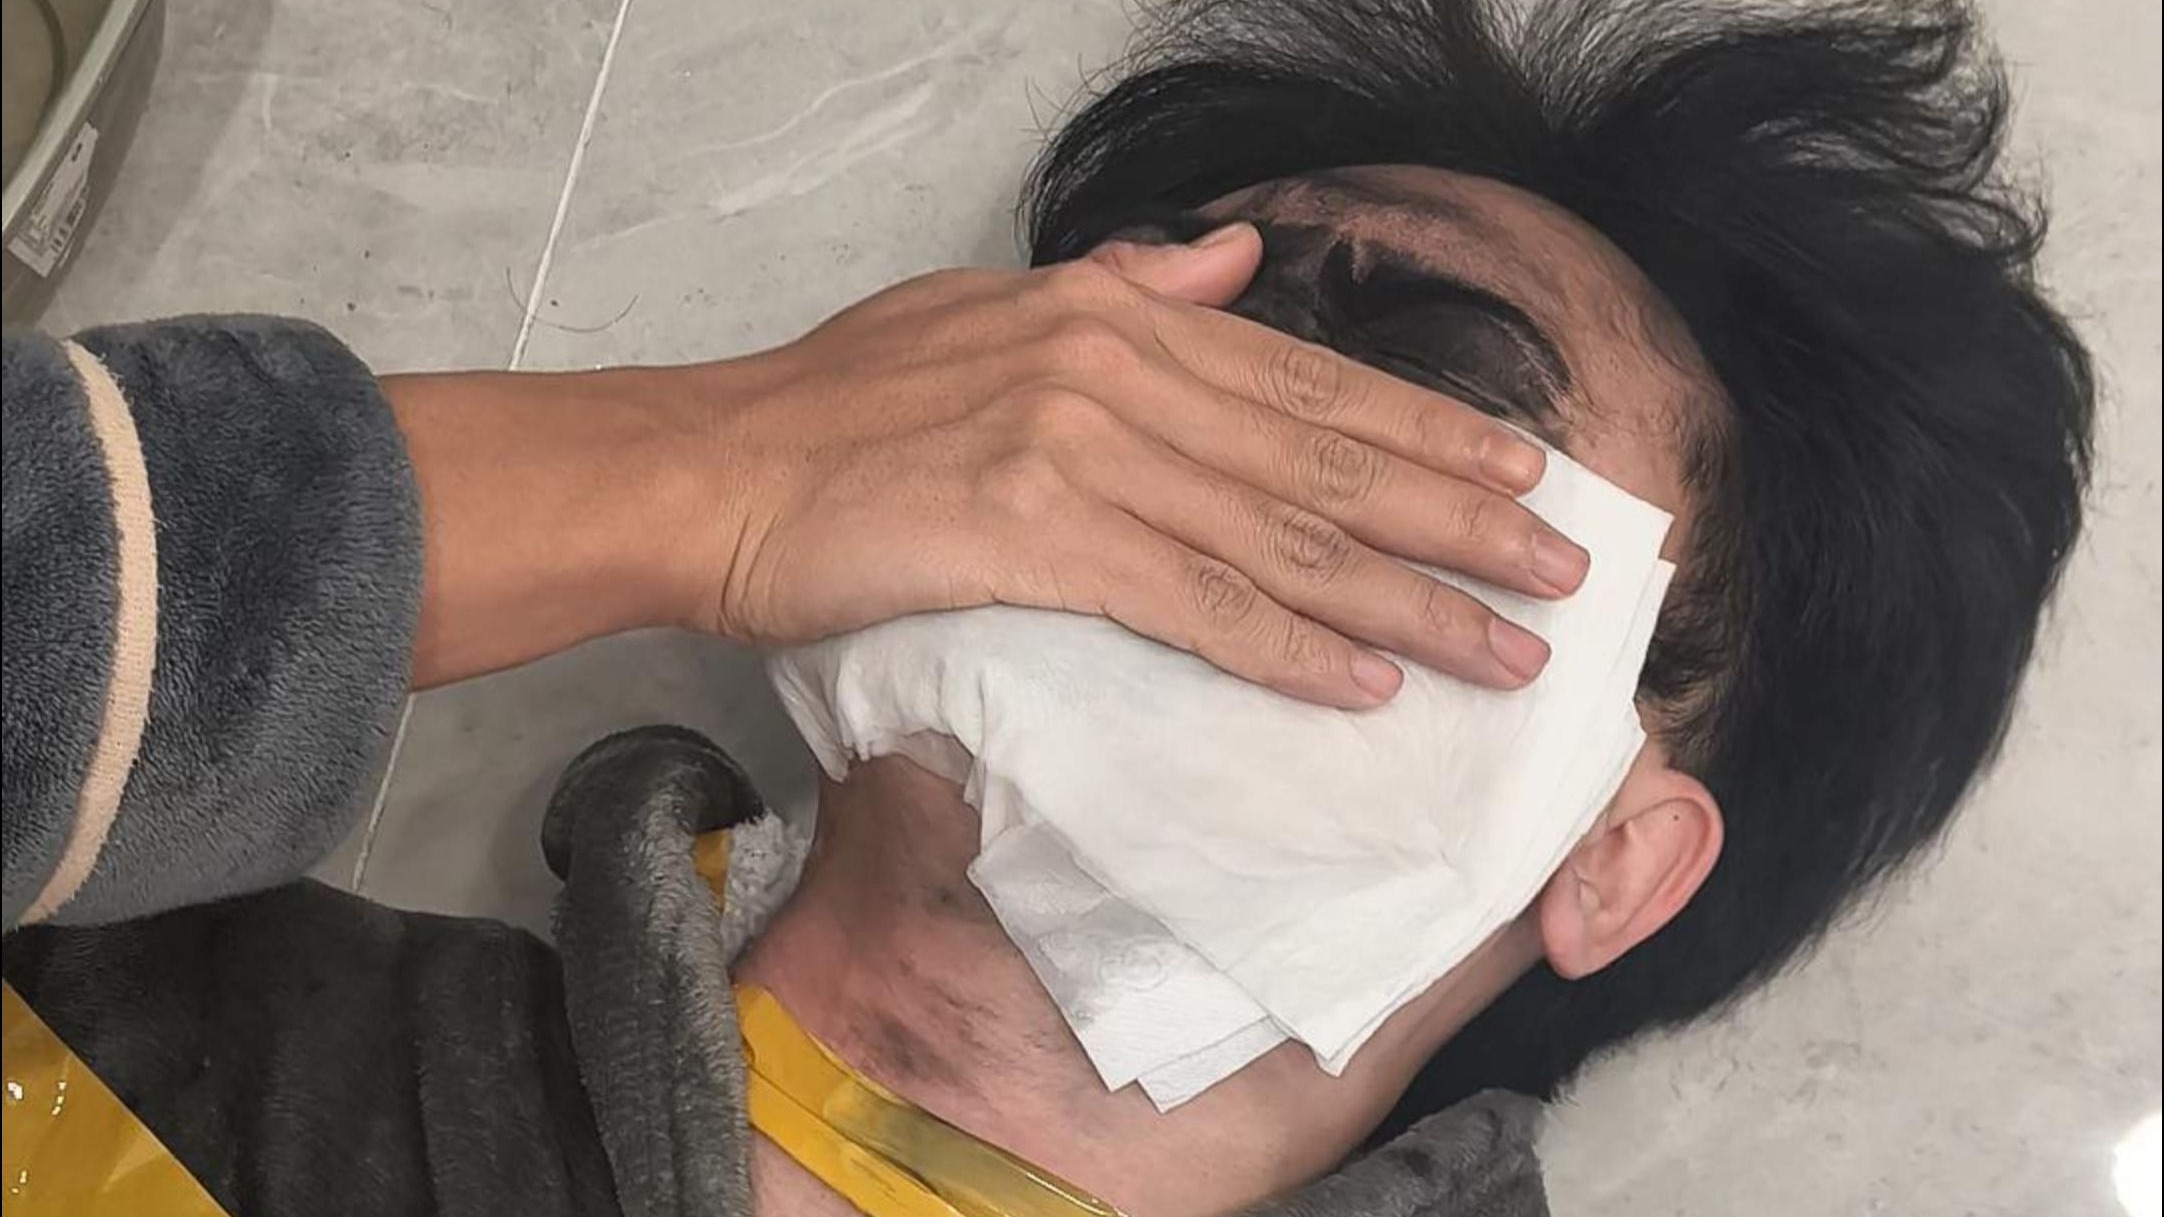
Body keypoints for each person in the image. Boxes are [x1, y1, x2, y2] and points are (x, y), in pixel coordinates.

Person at [0, 0, 2093, 1215]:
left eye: (1425, 387)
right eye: (1114, 337)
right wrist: (691, 464)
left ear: (1614, 855)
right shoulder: (122, 1025)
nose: (1135, 411)